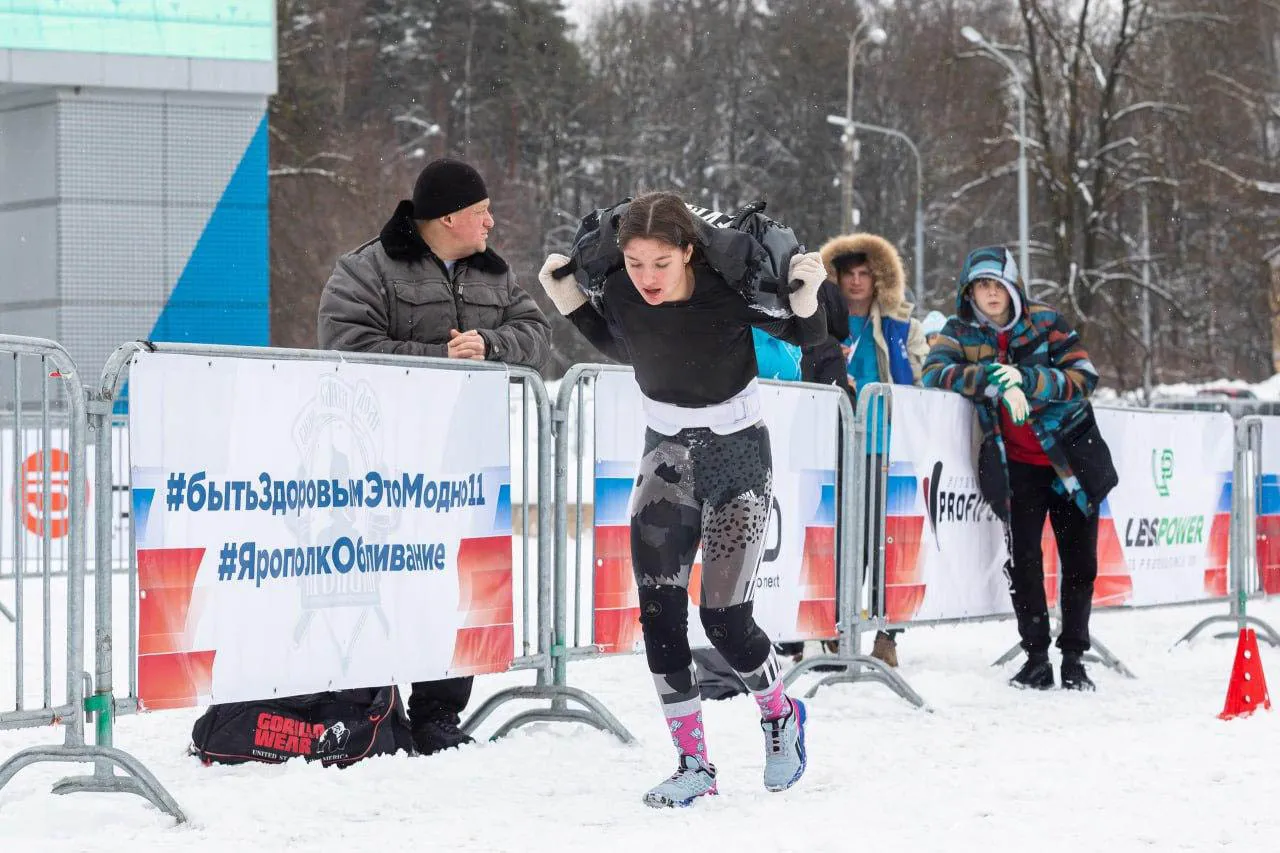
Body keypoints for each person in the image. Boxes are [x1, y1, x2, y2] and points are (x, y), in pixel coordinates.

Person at [537, 191, 827, 808]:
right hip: (665, 457)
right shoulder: (621, 288)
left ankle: (780, 716)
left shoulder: (727, 292)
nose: (646, 278)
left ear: (688, 251)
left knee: (724, 619)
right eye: (635, 262)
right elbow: (628, 346)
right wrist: (570, 306)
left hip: (737, 458)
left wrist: (807, 295)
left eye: (661, 264)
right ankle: (693, 762)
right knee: (659, 613)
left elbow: (806, 337)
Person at [317, 158, 552, 752]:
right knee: (382, 579)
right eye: (481, 212)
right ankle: (372, 704)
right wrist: (435, 359)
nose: (491, 222)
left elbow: (536, 333)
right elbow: (347, 343)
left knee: (455, 580)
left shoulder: (494, 276)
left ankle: (439, 713)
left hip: (463, 461)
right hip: (383, 463)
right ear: (448, 217)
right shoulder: (366, 268)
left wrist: (492, 343)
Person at [923, 246, 1113, 691]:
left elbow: (1084, 375)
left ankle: (1074, 657)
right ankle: (1035, 658)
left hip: (1070, 457)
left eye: (997, 285)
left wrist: (1029, 379)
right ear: (969, 292)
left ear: (1013, 288)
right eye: (981, 287)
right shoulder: (958, 330)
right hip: (1016, 465)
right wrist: (991, 377)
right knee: (1024, 562)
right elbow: (934, 372)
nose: (990, 295)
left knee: (1079, 562)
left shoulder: (1047, 322)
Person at [802, 233, 928, 668]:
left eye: (864, 274)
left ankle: (887, 633)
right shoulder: (814, 324)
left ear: (879, 280)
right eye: (847, 274)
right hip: (832, 450)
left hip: (885, 450)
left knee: (885, 543)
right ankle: (837, 625)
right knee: (839, 543)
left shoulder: (900, 328)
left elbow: (921, 383)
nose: (855, 282)